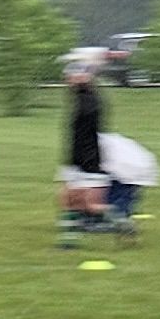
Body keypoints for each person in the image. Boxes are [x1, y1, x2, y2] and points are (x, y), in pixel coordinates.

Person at [58, 60, 111, 241]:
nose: (67, 79)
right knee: (68, 201)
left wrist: (85, 77)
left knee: (89, 205)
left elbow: (88, 127)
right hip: (75, 158)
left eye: (71, 75)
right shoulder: (81, 96)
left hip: (89, 159)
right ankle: (68, 242)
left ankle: (123, 222)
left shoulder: (90, 99)